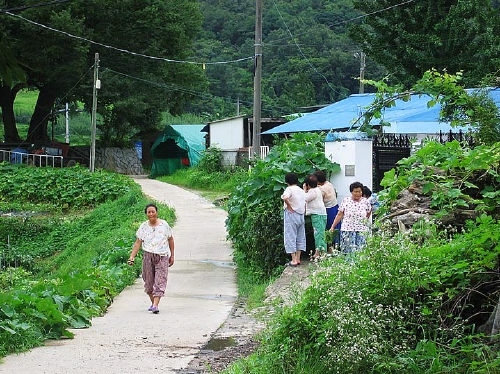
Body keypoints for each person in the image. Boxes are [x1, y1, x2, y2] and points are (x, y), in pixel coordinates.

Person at [128, 203, 175, 314]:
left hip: (162, 256)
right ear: (146, 214)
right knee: (148, 283)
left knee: (160, 280)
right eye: (149, 212)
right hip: (148, 256)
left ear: (156, 212)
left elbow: (171, 240)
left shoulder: (164, 225)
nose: (151, 214)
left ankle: (155, 305)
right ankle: (153, 303)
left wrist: (172, 255)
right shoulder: (144, 227)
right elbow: (138, 242)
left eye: (153, 211)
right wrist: (132, 256)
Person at [329, 181, 371, 260]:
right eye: (355, 191)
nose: (358, 193)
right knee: (348, 251)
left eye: (359, 191)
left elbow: (368, 212)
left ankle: (359, 268)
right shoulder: (346, 201)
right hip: (348, 229)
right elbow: (340, 214)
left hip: (361, 230)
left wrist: (364, 221)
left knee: (361, 250)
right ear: (351, 192)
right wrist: (333, 226)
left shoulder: (365, 201)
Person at [281, 172, 306, 267]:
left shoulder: (289, 189)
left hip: (291, 214)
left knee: (290, 236)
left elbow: (285, 197)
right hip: (301, 215)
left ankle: (293, 259)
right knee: (300, 236)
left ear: (287, 181)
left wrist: (288, 205)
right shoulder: (300, 190)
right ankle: (298, 258)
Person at [314, 170, 340, 249]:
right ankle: (336, 246)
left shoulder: (321, 190)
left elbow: (318, 199)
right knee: (336, 227)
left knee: (329, 229)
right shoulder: (329, 184)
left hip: (328, 209)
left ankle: (330, 247)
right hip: (335, 207)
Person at [303, 174, 327, 260]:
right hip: (319, 214)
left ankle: (322, 253)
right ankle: (318, 252)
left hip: (318, 215)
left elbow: (304, 198)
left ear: (308, 184)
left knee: (319, 234)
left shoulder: (313, 191)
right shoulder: (317, 190)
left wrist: (304, 190)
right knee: (319, 233)